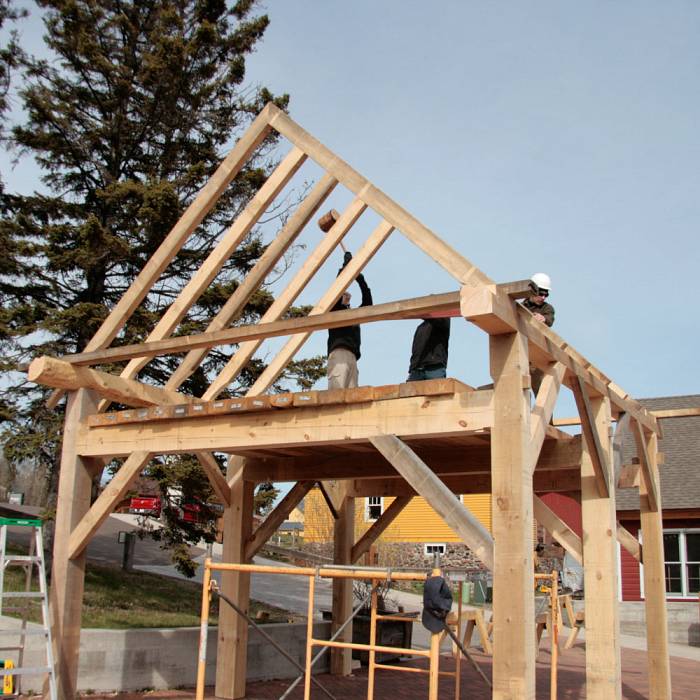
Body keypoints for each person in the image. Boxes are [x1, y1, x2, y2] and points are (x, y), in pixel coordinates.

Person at [326, 250, 372, 389]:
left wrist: (360, 278)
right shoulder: (334, 310)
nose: (346, 295)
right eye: (343, 295)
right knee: (336, 393)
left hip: (353, 357)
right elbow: (337, 287)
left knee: (352, 398)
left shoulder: (353, 314)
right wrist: (345, 268)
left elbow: (368, 304)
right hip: (339, 354)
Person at [522, 272, 555, 395]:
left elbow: (549, 320)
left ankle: (545, 415)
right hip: (523, 352)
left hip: (537, 355)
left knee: (541, 391)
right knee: (519, 388)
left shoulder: (547, 308)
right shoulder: (522, 306)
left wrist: (543, 319)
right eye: (541, 293)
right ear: (533, 291)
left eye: (546, 294)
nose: (543, 297)